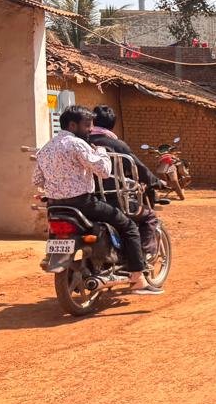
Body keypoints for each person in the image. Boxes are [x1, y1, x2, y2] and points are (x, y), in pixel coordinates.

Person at [33, 105, 161, 295]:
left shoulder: (46, 148)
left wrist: (57, 184)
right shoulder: (77, 144)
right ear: (72, 125)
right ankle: (138, 278)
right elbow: (104, 171)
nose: (90, 130)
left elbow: (37, 180)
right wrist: (101, 152)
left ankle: (52, 255)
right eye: (87, 125)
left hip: (55, 205)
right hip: (83, 204)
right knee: (128, 226)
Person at [88, 105, 162, 255]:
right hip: (115, 201)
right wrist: (156, 182)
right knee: (149, 216)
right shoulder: (118, 145)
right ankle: (145, 255)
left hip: (88, 199)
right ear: (112, 124)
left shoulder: (83, 143)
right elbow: (139, 168)